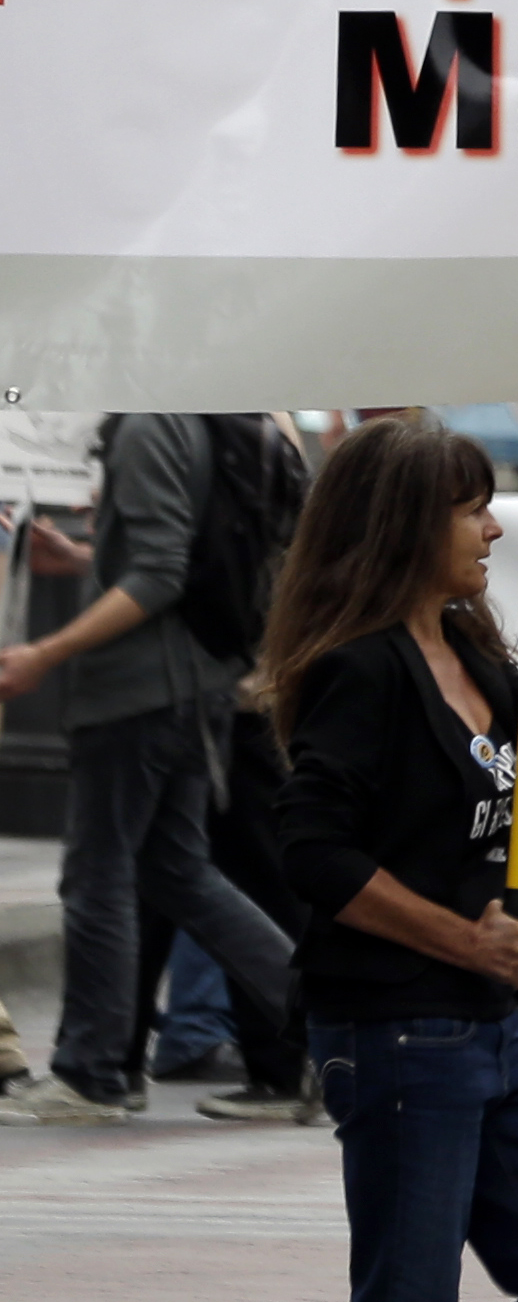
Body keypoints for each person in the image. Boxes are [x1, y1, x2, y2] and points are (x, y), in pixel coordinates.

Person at [250, 415, 518, 1297]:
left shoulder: (472, 646)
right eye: (473, 510)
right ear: (406, 522)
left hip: (494, 1022)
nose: (494, 529)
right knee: (410, 1282)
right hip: (400, 1026)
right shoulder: (361, 670)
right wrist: (464, 940)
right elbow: (313, 851)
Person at [0, 414, 308, 1127]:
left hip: (140, 691)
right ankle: (327, 1021)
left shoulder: (148, 426)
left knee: (99, 873)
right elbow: (179, 559)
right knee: (178, 871)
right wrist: (85, 556)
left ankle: (93, 1071)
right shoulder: (198, 419)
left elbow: (161, 571)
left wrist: (47, 653)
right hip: (189, 684)